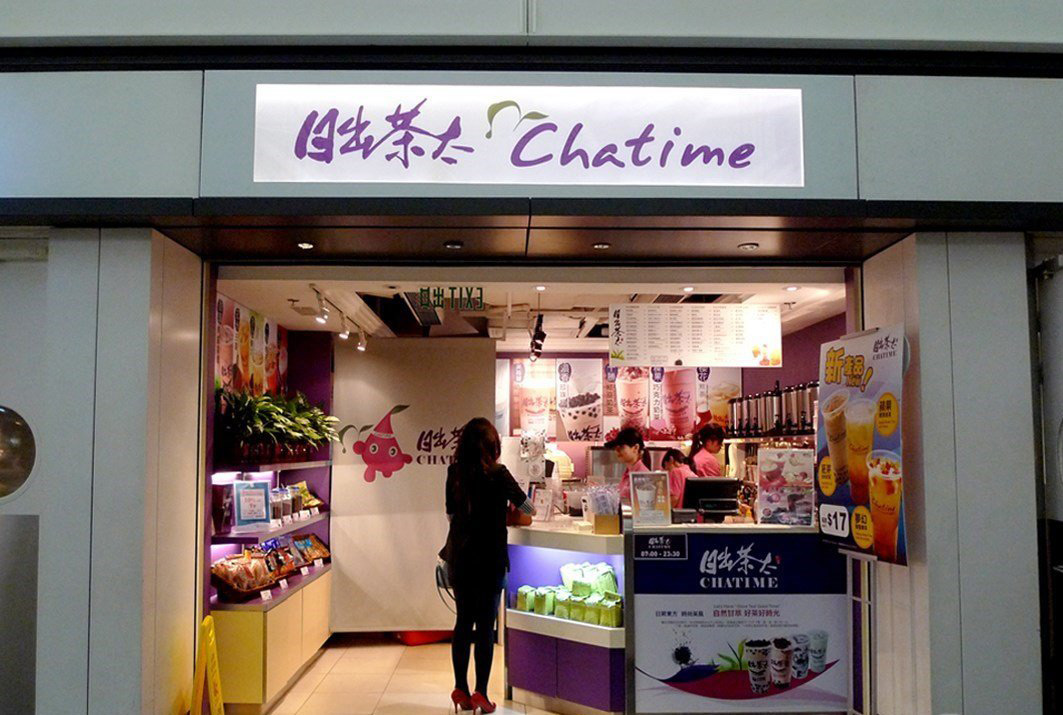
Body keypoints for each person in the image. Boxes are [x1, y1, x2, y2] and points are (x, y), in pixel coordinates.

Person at [441, 418, 535, 714]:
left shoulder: (454, 472)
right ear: (493, 446)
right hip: (490, 559)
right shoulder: (499, 473)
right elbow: (529, 509)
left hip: (460, 558)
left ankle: (460, 688)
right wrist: (504, 512)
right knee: (485, 627)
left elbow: (451, 514)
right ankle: (481, 693)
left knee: (462, 622)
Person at [605, 427, 649, 504]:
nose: (617, 451)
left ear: (636, 448)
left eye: (621, 447)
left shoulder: (642, 475)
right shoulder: (628, 473)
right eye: (616, 448)